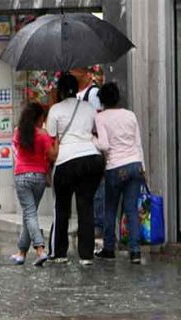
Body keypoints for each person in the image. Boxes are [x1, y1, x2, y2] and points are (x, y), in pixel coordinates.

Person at [46, 74, 105, 265]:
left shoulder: (55, 110)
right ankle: (86, 255)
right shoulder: (89, 108)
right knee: (85, 205)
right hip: (92, 159)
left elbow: (51, 138)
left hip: (66, 161)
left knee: (62, 207)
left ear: (61, 90)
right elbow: (96, 130)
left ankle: (60, 253)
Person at [93, 82, 145, 264]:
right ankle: (135, 251)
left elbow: (105, 145)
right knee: (131, 209)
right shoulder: (130, 115)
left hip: (115, 167)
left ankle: (109, 248)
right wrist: (143, 167)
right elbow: (138, 142)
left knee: (110, 209)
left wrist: (92, 138)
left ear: (102, 100)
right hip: (135, 165)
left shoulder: (101, 118)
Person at [9, 102, 54, 266]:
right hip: (39, 177)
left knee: (29, 214)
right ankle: (21, 252)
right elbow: (51, 155)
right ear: (39, 118)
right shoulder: (43, 134)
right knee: (30, 214)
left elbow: (15, 151)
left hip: (22, 176)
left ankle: (40, 249)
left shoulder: (18, 132)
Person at [71, 67, 105, 236]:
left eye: (75, 70)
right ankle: (85, 224)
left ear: (85, 72)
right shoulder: (74, 95)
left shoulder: (93, 93)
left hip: (92, 147)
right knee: (82, 190)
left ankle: (98, 224)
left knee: (96, 189)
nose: (72, 73)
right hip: (78, 149)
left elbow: (98, 121)